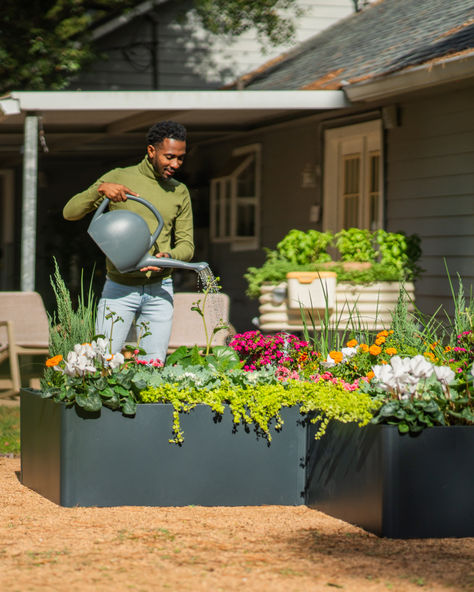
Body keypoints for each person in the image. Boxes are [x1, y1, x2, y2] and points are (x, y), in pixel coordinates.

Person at [63, 120, 194, 363]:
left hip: (160, 290)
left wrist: (169, 258)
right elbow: (70, 212)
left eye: (181, 158)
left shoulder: (179, 191)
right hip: (119, 289)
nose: (175, 164)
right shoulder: (119, 177)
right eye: (169, 156)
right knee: (104, 362)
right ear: (151, 151)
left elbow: (187, 245)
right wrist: (100, 189)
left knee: (153, 366)